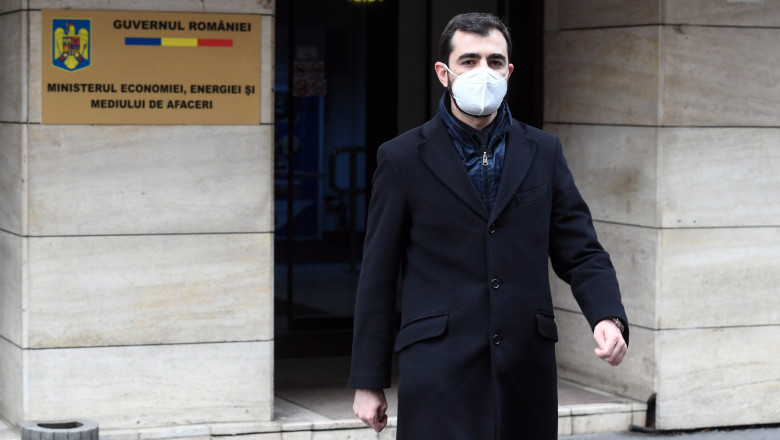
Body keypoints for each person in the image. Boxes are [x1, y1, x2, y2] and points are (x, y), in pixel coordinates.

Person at [349, 12, 628, 439]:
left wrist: (607, 316)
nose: (484, 71)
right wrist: (368, 380)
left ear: (508, 71)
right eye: (469, 60)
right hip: (439, 370)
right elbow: (378, 274)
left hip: (525, 370)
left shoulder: (543, 151)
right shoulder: (402, 158)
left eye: (495, 61)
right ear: (443, 73)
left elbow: (581, 250)